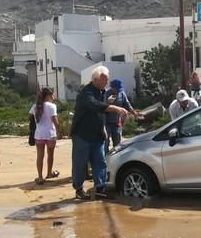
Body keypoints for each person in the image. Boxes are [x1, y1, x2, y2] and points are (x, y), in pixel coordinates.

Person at [71, 66, 128, 200]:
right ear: (96, 80)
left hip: (97, 134)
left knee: (100, 162)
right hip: (82, 135)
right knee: (80, 163)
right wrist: (114, 108)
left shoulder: (102, 91)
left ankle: (100, 188)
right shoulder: (86, 92)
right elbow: (94, 105)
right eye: (105, 80)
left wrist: (103, 126)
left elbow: (99, 112)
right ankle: (79, 189)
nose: (107, 83)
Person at [29, 87, 60, 185]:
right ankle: (49, 173)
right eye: (52, 95)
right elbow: (55, 120)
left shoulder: (35, 106)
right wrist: (59, 131)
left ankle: (40, 176)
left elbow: (30, 116)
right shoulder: (52, 106)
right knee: (50, 154)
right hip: (50, 134)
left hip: (39, 134)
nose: (53, 97)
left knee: (40, 156)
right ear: (49, 96)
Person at [104, 79, 142, 153]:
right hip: (106, 123)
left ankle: (115, 160)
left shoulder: (122, 94)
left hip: (117, 123)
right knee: (105, 143)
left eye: (119, 89)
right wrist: (107, 102)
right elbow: (101, 107)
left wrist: (135, 113)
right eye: (116, 89)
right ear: (112, 87)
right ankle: (105, 160)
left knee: (117, 144)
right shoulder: (105, 94)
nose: (118, 91)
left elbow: (127, 105)